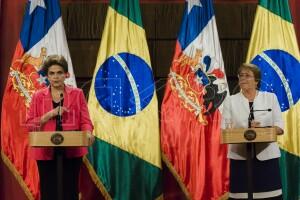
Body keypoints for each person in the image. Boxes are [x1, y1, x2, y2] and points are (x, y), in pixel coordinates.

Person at [26, 55, 94, 200]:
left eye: (59, 73)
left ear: (66, 75)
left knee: (70, 189)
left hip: (72, 147)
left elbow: (85, 121)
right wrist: (49, 114)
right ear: (47, 76)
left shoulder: (77, 94)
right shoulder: (38, 96)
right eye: (52, 73)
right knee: (49, 189)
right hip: (45, 149)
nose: (56, 77)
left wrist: (88, 132)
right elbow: (29, 124)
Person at [222, 63, 284, 199]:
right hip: (240, 157)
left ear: (256, 81)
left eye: (247, 75)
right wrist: (246, 129)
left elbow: (280, 127)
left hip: (266, 157)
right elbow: (225, 129)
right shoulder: (230, 101)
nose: (243, 78)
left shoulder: (270, 98)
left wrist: (263, 130)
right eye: (241, 75)